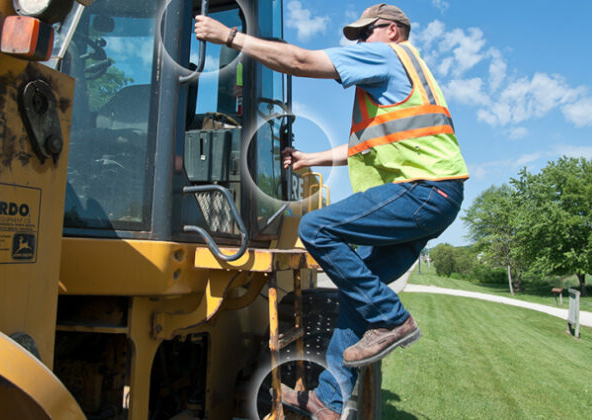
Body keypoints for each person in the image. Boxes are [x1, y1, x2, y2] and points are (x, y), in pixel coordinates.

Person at [196, 3, 468, 419]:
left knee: (318, 227)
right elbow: (365, 147)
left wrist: (229, 37)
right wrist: (312, 159)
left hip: (423, 191)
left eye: (365, 33)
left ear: (392, 30)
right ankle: (329, 401)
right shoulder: (406, 78)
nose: (357, 42)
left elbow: (301, 60)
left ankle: (394, 317)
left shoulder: (386, 55)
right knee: (358, 298)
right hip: (435, 197)